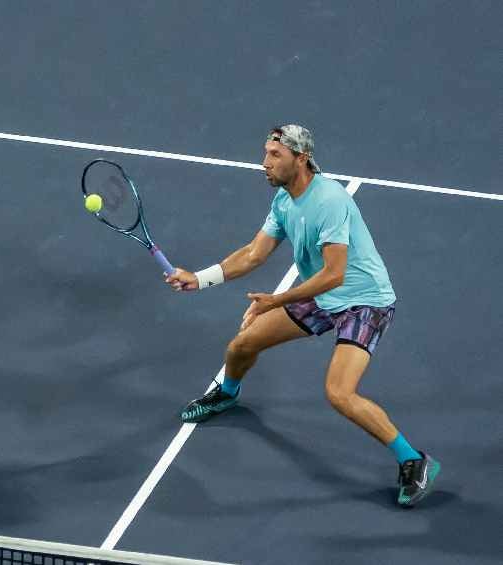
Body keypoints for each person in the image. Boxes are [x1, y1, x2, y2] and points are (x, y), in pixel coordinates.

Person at [166, 125, 439, 507]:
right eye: (265, 153)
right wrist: (199, 279)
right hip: (322, 293)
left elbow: (335, 274)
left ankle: (414, 459)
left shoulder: (329, 201)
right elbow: (253, 254)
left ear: (301, 158)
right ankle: (227, 394)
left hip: (364, 302)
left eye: (275, 156)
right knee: (243, 344)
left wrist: (275, 301)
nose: (265, 163)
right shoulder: (283, 200)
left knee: (339, 393)